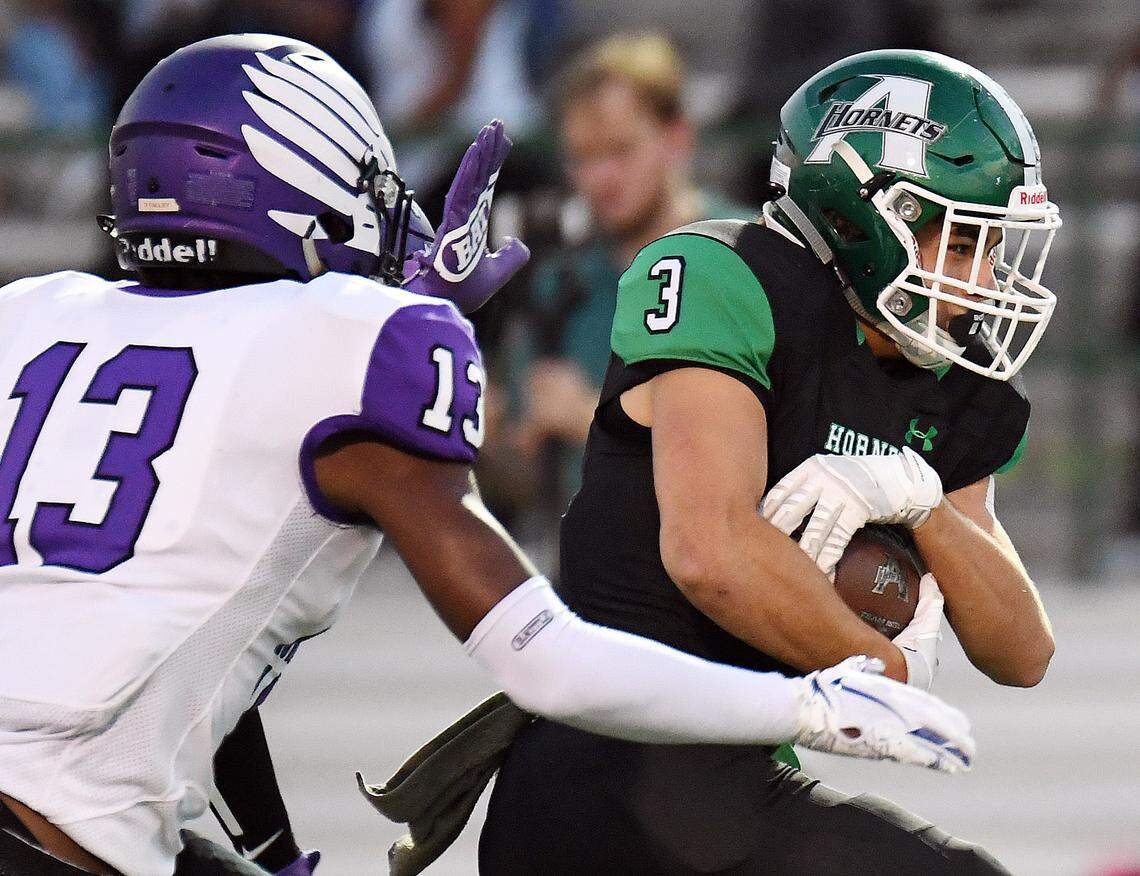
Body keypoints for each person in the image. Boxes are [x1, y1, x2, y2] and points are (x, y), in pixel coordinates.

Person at [0, 35, 973, 876]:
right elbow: (545, 665)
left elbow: (178, 620)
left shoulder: (29, 314)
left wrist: (262, 846)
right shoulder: (352, 341)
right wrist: (804, 707)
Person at [478, 49, 1060, 874]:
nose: (986, 277)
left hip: (734, 782)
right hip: (610, 772)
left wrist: (924, 506)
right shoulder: (727, 275)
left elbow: (1023, 651)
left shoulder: (949, 367)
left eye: (994, 245)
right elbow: (708, 551)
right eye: (964, 241)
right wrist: (887, 676)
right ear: (864, 218)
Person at [487, 33, 756, 518]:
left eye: (621, 151)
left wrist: (593, 416)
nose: (601, 179)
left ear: (678, 139)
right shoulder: (557, 282)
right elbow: (525, 480)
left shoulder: (753, 256)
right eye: (583, 158)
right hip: (586, 572)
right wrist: (474, 435)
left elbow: (769, 455)